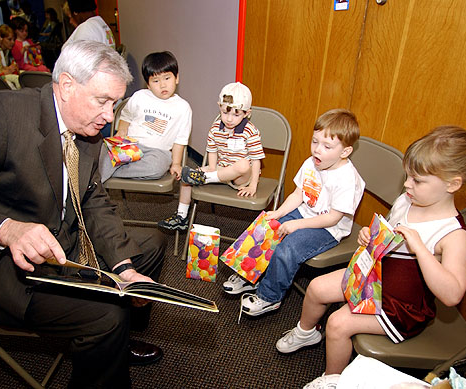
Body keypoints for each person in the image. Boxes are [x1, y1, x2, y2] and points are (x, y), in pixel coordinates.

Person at [0, 40, 166, 388]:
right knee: (108, 315)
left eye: (115, 103)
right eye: (103, 101)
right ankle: (108, 334)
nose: (109, 116)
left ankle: (114, 344)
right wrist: (6, 229)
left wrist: (125, 269)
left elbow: (93, 200)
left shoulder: (86, 130)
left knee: (151, 245)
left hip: (57, 240)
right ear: (67, 85)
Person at [278, 126, 466, 389]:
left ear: (453, 184)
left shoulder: (453, 235)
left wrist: (420, 249)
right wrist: (369, 239)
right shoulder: (408, 199)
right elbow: (388, 237)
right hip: (374, 277)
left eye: (417, 180)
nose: (407, 184)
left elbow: (452, 295)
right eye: (408, 176)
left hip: (401, 306)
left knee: (338, 323)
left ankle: (332, 380)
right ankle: (306, 334)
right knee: (316, 288)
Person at [228, 109, 365, 317]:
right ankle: (249, 275)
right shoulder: (312, 162)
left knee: (288, 248)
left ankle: (269, 297)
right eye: (315, 141)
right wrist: (278, 212)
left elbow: (333, 218)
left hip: (329, 228)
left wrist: (297, 225)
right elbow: (298, 194)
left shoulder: (347, 178)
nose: (317, 150)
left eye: (327, 146)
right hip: (305, 212)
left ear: (345, 152)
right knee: (268, 226)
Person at [158, 82, 264, 231]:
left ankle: (208, 178)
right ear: (219, 106)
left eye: (236, 114)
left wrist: (253, 185)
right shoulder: (215, 128)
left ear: (247, 113)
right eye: (225, 112)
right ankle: (181, 217)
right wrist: (212, 168)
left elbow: (256, 159)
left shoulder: (250, 131)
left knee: (244, 164)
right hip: (220, 170)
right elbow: (212, 151)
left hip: (241, 177)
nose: (229, 119)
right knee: (187, 176)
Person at [99, 51, 192, 186]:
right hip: (131, 144)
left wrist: (177, 164)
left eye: (167, 78)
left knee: (158, 167)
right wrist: (122, 132)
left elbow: (180, 140)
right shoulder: (140, 96)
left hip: (158, 152)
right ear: (148, 84)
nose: (163, 85)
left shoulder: (183, 108)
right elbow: (126, 116)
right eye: (155, 81)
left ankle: (111, 171)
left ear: (176, 78)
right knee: (104, 151)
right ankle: (96, 182)